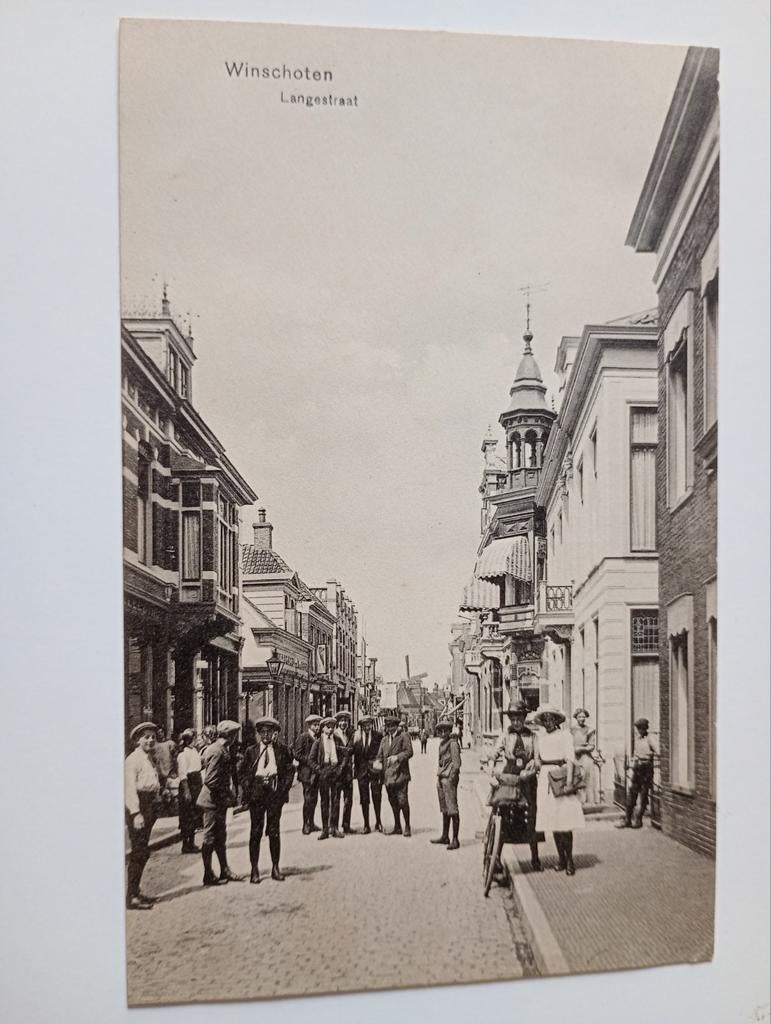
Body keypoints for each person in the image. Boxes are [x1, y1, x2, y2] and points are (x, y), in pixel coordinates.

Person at [489, 699, 542, 871]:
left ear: (525, 717)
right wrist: (491, 769)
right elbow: (494, 753)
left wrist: (532, 769)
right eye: (513, 718)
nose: (516, 722)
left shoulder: (533, 736)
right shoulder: (506, 735)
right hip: (509, 776)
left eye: (519, 718)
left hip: (527, 778)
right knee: (503, 812)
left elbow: (537, 760)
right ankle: (496, 857)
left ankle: (535, 858)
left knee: (531, 815)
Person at [532, 705, 585, 877]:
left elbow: (570, 758)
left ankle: (569, 860)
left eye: (551, 718)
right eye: (545, 719)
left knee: (565, 821)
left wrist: (569, 782)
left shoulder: (565, 736)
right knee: (553, 821)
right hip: (545, 780)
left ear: (556, 720)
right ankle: (560, 858)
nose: (548, 722)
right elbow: (538, 760)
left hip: (561, 776)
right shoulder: (540, 738)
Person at [241, 716, 295, 883]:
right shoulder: (251, 751)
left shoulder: (282, 750)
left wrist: (282, 789)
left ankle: (275, 867)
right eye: (262, 732)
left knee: (274, 831)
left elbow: (289, 771)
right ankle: (254, 869)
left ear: (274, 733)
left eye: (269, 732)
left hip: (274, 795)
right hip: (257, 795)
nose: (265, 735)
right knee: (255, 832)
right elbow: (242, 773)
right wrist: (248, 788)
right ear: (258, 734)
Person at [196, 720, 242, 885]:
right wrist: (228, 795)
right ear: (230, 735)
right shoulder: (217, 751)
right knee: (209, 838)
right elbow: (211, 780)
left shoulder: (221, 749)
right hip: (211, 801)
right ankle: (208, 874)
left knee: (220, 837)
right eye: (235, 735)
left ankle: (224, 870)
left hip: (217, 801)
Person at [124, 722, 162, 910]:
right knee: (138, 851)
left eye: (153, 737)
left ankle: (136, 891)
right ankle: (131, 897)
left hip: (149, 804)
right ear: (138, 740)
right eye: (146, 737)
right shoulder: (133, 760)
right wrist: (136, 813)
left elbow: (151, 781)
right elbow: (130, 789)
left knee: (143, 850)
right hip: (138, 806)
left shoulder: (148, 758)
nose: (150, 740)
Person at [616, 717, 659, 829]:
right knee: (632, 793)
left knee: (644, 795)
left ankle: (638, 820)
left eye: (642, 728)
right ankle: (628, 819)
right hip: (637, 768)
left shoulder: (650, 739)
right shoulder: (638, 739)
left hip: (646, 768)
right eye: (638, 728)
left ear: (646, 728)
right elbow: (635, 754)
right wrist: (630, 764)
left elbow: (658, 751)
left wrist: (649, 757)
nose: (640, 730)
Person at [376, 714, 414, 836]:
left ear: (397, 727)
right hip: (388, 777)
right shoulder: (384, 740)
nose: (391, 729)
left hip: (401, 775)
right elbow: (380, 755)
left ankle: (407, 826)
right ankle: (397, 826)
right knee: (393, 802)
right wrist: (377, 762)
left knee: (403, 801)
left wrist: (397, 757)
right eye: (388, 726)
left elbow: (409, 752)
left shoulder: (404, 736)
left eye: (393, 726)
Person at [310, 717, 345, 839]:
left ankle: (334, 828)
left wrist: (340, 768)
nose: (330, 730)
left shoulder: (337, 740)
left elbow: (344, 755)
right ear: (323, 728)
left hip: (335, 773)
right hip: (324, 773)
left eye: (332, 727)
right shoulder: (318, 742)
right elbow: (311, 759)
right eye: (328, 727)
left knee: (336, 801)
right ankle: (325, 829)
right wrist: (319, 771)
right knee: (324, 801)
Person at [431, 718, 461, 849]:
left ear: (449, 731)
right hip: (441, 778)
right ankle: (445, 836)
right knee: (444, 809)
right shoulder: (442, 744)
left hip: (448, 779)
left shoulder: (453, 743)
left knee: (452, 809)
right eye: (440, 730)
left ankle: (455, 839)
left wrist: (451, 779)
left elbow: (456, 764)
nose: (442, 733)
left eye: (445, 730)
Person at [353, 714, 384, 833]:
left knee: (377, 796)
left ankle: (378, 822)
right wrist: (356, 771)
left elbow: (381, 754)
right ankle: (366, 824)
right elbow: (355, 755)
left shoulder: (378, 736)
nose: (367, 727)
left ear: (372, 724)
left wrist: (380, 768)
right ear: (361, 726)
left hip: (375, 770)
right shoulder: (357, 737)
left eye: (369, 724)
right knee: (364, 798)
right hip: (362, 772)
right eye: (364, 725)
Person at [293, 714, 322, 834]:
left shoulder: (319, 738)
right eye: (315, 725)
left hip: (316, 773)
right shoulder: (303, 737)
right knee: (308, 799)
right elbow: (297, 754)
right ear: (309, 725)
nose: (317, 727)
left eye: (318, 725)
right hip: (306, 773)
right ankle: (305, 824)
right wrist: (309, 760)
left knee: (314, 799)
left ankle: (312, 822)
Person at [176, 728, 203, 853]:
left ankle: (191, 843)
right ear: (188, 740)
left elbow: (198, 766)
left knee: (194, 816)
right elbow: (183, 774)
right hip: (189, 785)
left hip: (196, 784)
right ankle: (185, 844)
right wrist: (186, 791)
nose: (196, 740)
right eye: (194, 738)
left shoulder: (195, 752)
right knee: (187, 815)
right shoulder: (183, 755)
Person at [334, 710, 356, 833]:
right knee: (336, 800)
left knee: (348, 800)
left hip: (348, 772)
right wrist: (346, 750)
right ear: (338, 722)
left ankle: (346, 825)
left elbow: (352, 749)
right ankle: (335, 827)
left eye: (345, 721)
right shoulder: (334, 735)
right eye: (341, 721)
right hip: (338, 772)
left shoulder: (349, 734)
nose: (343, 723)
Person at [570, 709, 598, 806]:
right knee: (576, 778)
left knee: (586, 778)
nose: (582, 719)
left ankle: (588, 801)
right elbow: (569, 744)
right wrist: (574, 749)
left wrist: (581, 748)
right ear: (576, 718)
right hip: (575, 757)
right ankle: (577, 801)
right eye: (579, 717)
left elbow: (591, 746)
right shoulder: (571, 730)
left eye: (583, 717)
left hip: (585, 757)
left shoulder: (590, 730)